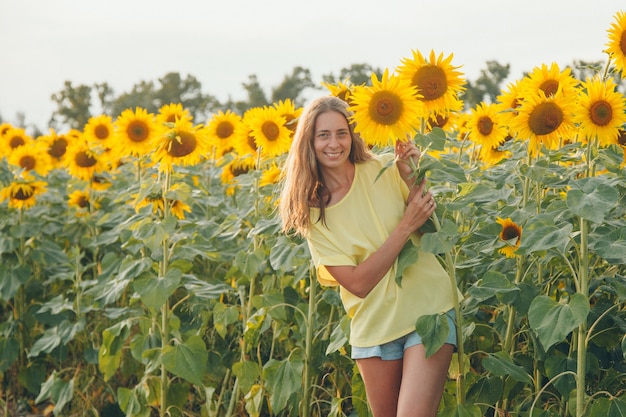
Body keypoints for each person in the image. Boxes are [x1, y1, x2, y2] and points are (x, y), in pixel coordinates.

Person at [278, 95, 460, 417]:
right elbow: (359, 284)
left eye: (341, 132)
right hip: (374, 330)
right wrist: (404, 226)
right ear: (308, 142)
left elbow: (433, 234)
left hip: (429, 311)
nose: (334, 143)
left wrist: (412, 175)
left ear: (352, 135)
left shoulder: (384, 169)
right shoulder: (313, 216)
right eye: (323, 135)